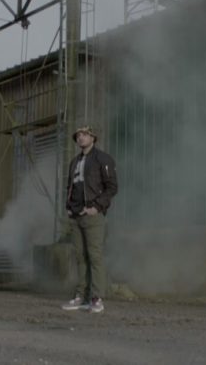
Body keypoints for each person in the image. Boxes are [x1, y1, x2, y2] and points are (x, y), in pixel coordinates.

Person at [60, 126, 118, 314]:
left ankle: (96, 298)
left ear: (93, 138)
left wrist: (97, 207)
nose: (80, 137)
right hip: (76, 215)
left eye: (85, 134)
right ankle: (81, 296)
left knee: (95, 256)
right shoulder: (74, 162)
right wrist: (68, 207)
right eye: (78, 135)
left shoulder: (103, 158)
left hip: (93, 215)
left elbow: (112, 187)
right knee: (80, 257)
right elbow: (70, 186)